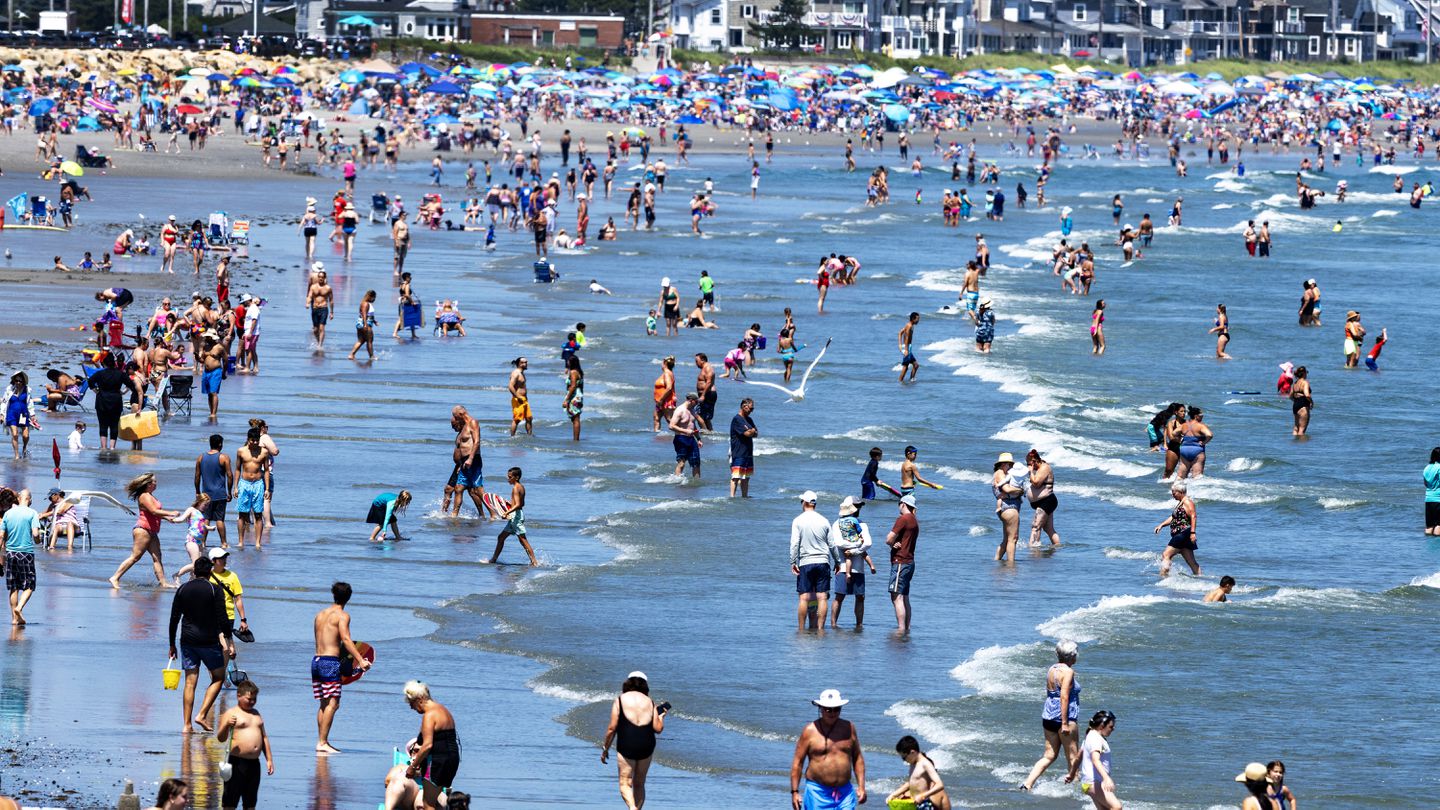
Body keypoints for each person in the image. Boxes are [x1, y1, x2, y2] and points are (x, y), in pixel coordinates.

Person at [168, 556, 234, 733]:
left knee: (190, 682)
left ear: (194, 571)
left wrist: (171, 644)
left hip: (188, 641)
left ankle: (186, 725)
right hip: (209, 642)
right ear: (210, 571)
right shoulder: (215, 590)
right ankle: (202, 714)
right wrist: (229, 640)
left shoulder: (182, 589)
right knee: (218, 677)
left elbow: (174, 619)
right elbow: (223, 618)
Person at [313, 581, 371, 753]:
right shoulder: (343, 616)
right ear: (349, 597)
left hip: (316, 660)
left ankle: (321, 741)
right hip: (330, 662)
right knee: (334, 703)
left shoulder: (320, 614)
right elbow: (345, 639)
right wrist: (361, 660)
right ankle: (323, 743)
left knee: (324, 703)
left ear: (333, 594)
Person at [789, 689, 866, 810]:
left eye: (836, 709)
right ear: (820, 708)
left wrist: (861, 786)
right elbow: (797, 763)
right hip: (818, 793)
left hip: (844, 793)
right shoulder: (809, 731)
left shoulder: (849, 728)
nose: (832, 712)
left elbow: (858, 758)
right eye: (828, 709)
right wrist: (794, 792)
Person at [1020, 640, 1082, 791]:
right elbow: (1064, 697)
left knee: (1049, 755)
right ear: (1072, 656)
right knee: (1073, 758)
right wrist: (1065, 723)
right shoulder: (1068, 672)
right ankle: (1077, 791)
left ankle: (1028, 783)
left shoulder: (1052, 669)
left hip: (1048, 717)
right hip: (1064, 718)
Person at [601, 672, 667, 810]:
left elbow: (612, 728)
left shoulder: (620, 700)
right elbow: (658, 729)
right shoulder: (651, 702)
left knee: (625, 782)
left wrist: (605, 748)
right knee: (640, 783)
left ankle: (632, 808)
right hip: (646, 745)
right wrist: (661, 717)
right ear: (645, 686)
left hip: (627, 744)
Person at [110, 473, 178, 588]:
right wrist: (171, 512)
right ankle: (115, 577)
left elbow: (154, 513)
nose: (156, 483)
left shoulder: (151, 496)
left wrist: (167, 518)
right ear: (148, 484)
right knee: (135, 556)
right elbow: (154, 511)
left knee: (157, 557)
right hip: (143, 530)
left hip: (152, 531)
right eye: (154, 481)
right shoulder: (144, 496)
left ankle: (163, 583)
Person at [216, 680, 274, 810]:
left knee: (250, 800)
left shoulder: (256, 714)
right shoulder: (231, 713)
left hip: (254, 763)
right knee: (230, 799)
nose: (252, 702)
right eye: (249, 699)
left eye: (254, 699)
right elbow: (220, 738)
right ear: (238, 696)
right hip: (236, 763)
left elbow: (264, 737)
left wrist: (269, 759)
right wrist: (226, 725)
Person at [403, 681, 460, 810]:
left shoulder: (429, 715)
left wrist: (413, 767)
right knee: (433, 800)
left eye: (411, 703)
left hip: (437, 762)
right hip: (452, 759)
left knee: (428, 804)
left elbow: (427, 745)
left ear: (419, 699)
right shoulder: (443, 710)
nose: (411, 707)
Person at [829, 496, 874, 628]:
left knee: (860, 597)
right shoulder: (836, 524)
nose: (859, 508)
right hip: (842, 567)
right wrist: (857, 544)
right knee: (839, 597)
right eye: (856, 505)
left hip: (858, 567)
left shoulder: (862, 523)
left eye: (859, 506)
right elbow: (838, 542)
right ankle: (833, 624)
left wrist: (853, 551)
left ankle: (859, 625)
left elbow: (868, 543)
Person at [790, 490, 833, 631]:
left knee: (804, 597)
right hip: (823, 561)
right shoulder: (824, 520)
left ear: (805, 503)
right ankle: (820, 629)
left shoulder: (798, 520)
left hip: (806, 562)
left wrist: (793, 562)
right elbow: (831, 544)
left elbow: (794, 543)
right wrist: (838, 562)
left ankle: (801, 629)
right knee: (822, 597)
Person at [486, 467, 538, 566]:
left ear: (516, 477)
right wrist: (506, 505)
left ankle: (534, 562)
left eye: (510, 477)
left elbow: (518, 504)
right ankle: (494, 559)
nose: (508, 479)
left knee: (523, 540)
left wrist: (506, 513)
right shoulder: (521, 487)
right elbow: (522, 504)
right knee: (501, 538)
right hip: (517, 515)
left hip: (516, 517)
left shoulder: (515, 488)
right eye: (508, 476)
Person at [2, 489, 38, 625]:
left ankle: (14, 619)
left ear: (19, 498)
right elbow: (35, 534)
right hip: (26, 553)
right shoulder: (32, 513)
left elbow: (1, 537)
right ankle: (19, 608)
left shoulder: (8, 514)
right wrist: (38, 540)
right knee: (30, 585)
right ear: (28, 499)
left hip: (10, 553)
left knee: (14, 587)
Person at [884, 495, 919, 634]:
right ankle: (906, 627)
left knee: (896, 596)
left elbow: (888, 539)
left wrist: (892, 543)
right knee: (904, 596)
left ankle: (901, 628)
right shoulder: (914, 521)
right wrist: (895, 542)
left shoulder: (903, 519)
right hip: (909, 561)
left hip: (900, 561)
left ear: (904, 504)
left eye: (899, 503)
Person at [886, 735, 950, 810]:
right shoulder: (913, 764)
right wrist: (893, 795)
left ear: (912, 752)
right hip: (914, 803)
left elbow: (940, 784)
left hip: (924, 803)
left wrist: (924, 795)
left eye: (904, 757)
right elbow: (910, 784)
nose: (904, 760)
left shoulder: (925, 764)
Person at [234, 428, 271, 548]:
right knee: (242, 514)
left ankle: (258, 543)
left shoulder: (264, 452)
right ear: (248, 439)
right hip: (244, 483)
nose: (255, 443)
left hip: (258, 484)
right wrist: (235, 487)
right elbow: (238, 469)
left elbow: (266, 471)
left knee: (258, 514)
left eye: (257, 440)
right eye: (252, 440)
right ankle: (241, 541)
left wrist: (267, 488)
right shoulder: (241, 451)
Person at [1155, 481, 1201, 576]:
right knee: (1191, 562)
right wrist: (1161, 525)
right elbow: (1173, 517)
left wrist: (1193, 533)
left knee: (1166, 555)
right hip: (1182, 535)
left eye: (1174, 492)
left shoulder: (1188, 502)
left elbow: (1193, 516)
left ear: (1181, 491)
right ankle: (1200, 579)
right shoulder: (1181, 503)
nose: (1173, 495)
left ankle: (1164, 577)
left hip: (1183, 534)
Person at [1079, 711, 1120, 810]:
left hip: (1089, 782)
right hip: (1093, 782)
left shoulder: (1091, 736)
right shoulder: (1095, 739)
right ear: (1102, 725)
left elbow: (1079, 755)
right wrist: (1106, 778)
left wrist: (1072, 773)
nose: (1113, 729)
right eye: (1110, 727)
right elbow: (1095, 759)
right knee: (1116, 807)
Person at [992, 452, 1024, 561]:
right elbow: (1007, 489)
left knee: (1007, 539)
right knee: (1013, 539)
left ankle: (997, 560)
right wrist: (1021, 490)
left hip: (1007, 507)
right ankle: (1011, 565)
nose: (1010, 467)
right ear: (1002, 464)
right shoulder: (1000, 473)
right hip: (1009, 507)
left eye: (1011, 465)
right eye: (1009, 464)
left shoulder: (1004, 474)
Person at [1025, 450, 1060, 547]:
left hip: (1047, 501)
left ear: (1035, 460)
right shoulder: (1036, 468)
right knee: (1048, 529)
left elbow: (1036, 483)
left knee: (1036, 526)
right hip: (1042, 501)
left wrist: (1031, 471)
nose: (1029, 466)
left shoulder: (1045, 467)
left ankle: (1033, 548)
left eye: (1030, 464)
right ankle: (1057, 547)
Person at [728, 398, 757, 498]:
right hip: (738, 451)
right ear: (744, 406)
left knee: (746, 477)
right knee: (736, 476)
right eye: (750, 408)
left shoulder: (749, 419)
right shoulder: (737, 419)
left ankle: (744, 497)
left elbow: (755, 433)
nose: (751, 411)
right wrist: (751, 431)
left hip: (748, 452)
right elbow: (748, 433)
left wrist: (751, 431)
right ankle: (732, 497)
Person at [669, 393, 702, 478]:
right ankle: (677, 481)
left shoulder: (692, 410)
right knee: (682, 463)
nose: (697, 404)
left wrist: (698, 438)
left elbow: (693, 425)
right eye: (696, 402)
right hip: (680, 438)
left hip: (691, 439)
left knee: (696, 463)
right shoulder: (680, 410)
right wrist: (685, 431)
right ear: (691, 400)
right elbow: (671, 426)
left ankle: (696, 484)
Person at [1176, 407, 1212, 480]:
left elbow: (1174, 433)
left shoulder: (1184, 425)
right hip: (1197, 450)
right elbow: (1209, 435)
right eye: (1201, 414)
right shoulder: (1201, 425)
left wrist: (1179, 440)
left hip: (1184, 450)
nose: (1203, 415)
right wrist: (1204, 442)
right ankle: (1195, 491)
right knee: (1197, 476)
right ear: (1196, 416)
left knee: (1180, 475)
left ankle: (1177, 489)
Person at [3, 373, 33, 460]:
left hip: (23, 414)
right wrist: (1, 414)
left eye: (20, 380)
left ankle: (24, 448)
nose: (18, 382)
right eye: (16, 380)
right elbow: (4, 402)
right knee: (15, 434)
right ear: (13, 380)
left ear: (23, 381)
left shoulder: (27, 389)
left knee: (25, 436)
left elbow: (30, 403)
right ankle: (16, 455)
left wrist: (33, 415)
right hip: (11, 414)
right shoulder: (9, 389)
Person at [348, 290, 377, 361]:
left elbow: (369, 314)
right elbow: (364, 314)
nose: (374, 299)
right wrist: (365, 324)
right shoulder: (365, 304)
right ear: (370, 297)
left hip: (361, 323)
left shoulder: (365, 303)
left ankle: (351, 355)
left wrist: (374, 321)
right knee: (370, 340)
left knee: (361, 340)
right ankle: (371, 356)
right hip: (365, 324)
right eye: (374, 298)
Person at [507, 358, 533, 437]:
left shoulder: (522, 373)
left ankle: (529, 436)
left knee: (529, 418)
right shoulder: (516, 373)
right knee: (517, 419)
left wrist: (526, 398)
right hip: (518, 399)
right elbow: (510, 386)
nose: (525, 364)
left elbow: (523, 387)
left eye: (526, 362)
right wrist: (518, 397)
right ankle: (512, 436)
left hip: (524, 399)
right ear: (519, 364)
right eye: (523, 362)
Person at [563, 355, 584, 442]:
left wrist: (567, 399)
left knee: (575, 419)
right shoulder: (579, 372)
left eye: (568, 361)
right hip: (578, 395)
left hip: (574, 396)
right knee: (575, 418)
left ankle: (576, 440)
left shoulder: (573, 372)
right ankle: (576, 439)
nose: (567, 362)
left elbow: (573, 386)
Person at [1290, 366, 1312, 437]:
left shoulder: (1295, 383)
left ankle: (1294, 445)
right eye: (1306, 373)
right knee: (1302, 430)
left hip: (1295, 405)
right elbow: (1307, 395)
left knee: (1296, 428)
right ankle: (1301, 446)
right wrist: (1311, 402)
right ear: (1304, 373)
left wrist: (1297, 401)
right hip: (1303, 406)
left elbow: (1290, 396)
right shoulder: (1305, 382)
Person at [898, 312, 920, 383]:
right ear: (913, 319)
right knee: (905, 367)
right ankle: (900, 382)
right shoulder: (909, 326)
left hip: (908, 347)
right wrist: (905, 349)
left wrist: (900, 345)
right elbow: (906, 338)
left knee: (916, 365)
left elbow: (900, 333)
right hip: (907, 348)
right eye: (917, 319)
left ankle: (911, 380)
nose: (918, 321)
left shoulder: (911, 325)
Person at [1424, 447, 1440, 536]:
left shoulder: (1427, 467)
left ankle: (1428, 545)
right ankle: (1437, 546)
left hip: (1428, 498)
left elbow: (1425, 483)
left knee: (1429, 525)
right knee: (1439, 524)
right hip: (1438, 499)